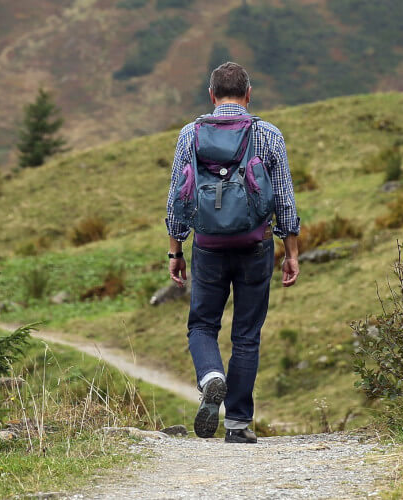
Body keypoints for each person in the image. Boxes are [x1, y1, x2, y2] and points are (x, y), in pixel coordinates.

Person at [165, 62, 300, 443]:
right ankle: (238, 424)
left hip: (207, 246)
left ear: (211, 95)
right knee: (246, 334)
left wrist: (176, 250)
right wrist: (291, 251)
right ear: (248, 93)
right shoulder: (268, 134)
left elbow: (178, 196)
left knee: (202, 324)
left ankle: (211, 376)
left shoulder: (189, 134)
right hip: (255, 245)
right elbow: (285, 200)